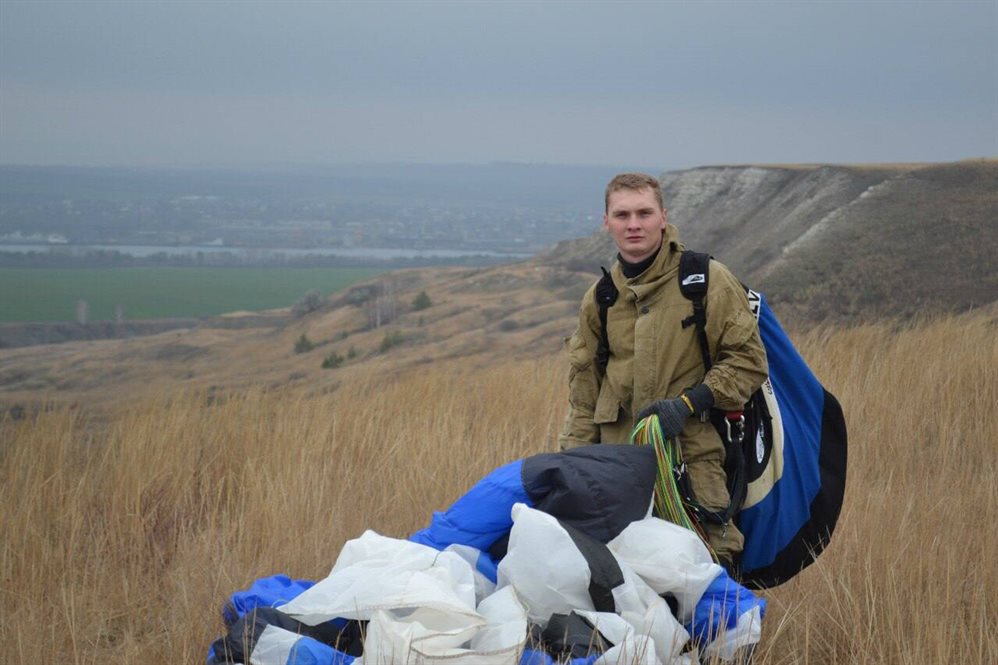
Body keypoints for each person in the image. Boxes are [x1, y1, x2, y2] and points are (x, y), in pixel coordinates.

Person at [558, 172, 768, 568]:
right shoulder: (600, 299)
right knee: (620, 583)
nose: (633, 224)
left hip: (691, 465)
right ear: (606, 221)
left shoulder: (705, 281)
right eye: (622, 215)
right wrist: (571, 467)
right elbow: (583, 396)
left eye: (643, 213)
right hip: (615, 472)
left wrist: (690, 403)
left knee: (706, 577)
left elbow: (748, 361)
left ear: (663, 217)